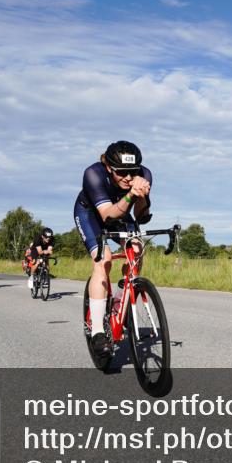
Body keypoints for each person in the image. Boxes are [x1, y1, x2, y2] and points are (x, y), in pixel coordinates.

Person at [74, 141, 152, 353]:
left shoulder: (144, 174)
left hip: (122, 212)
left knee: (136, 251)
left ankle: (120, 302)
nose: (128, 177)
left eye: (132, 172)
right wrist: (130, 195)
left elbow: (141, 217)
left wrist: (142, 196)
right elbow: (108, 215)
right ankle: (98, 331)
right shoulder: (93, 174)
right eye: (121, 173)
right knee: (104, 259)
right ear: (108, 167)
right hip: (92, 215)